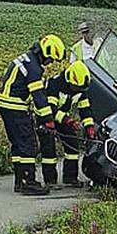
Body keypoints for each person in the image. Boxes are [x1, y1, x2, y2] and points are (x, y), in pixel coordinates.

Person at [0, 34, 65, 196]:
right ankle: (29, 183)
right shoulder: (34, 69)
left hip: (4, 103)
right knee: (29, 144)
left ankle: (20, 181)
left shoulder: (27, 58)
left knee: (18, 144)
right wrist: (48, 121)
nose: (50, 63)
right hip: (15, 106)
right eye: (51, 60)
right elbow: (39, 97)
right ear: (45, 53)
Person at [37, 60, 97, 188]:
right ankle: (50, 181)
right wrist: (68, 120)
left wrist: (89, 127)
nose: (78, 91)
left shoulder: (80, 87)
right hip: (46, 117)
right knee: (49, 150)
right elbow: (50, 109)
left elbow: (85, 110)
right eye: (76, 88)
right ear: (70, 81)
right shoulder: (55, 84)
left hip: (63, 117)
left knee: (72, 146)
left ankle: (70, 178)